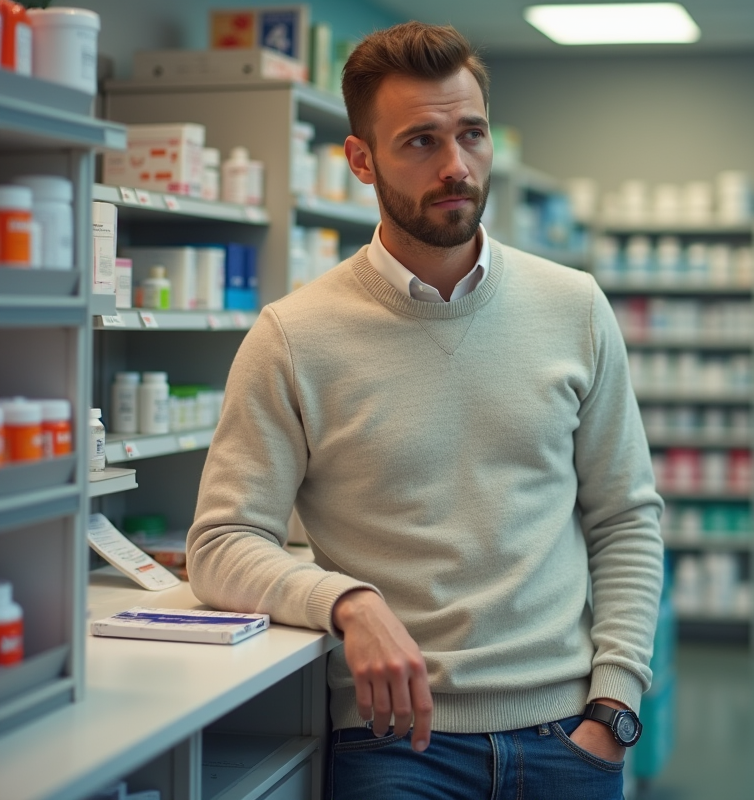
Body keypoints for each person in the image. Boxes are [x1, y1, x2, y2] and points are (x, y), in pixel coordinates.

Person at [187, 21, 663, 800]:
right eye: (420, 142)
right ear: (361, 160)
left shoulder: (574, 307)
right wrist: (345, 600)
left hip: (566, 739)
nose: (456, 167)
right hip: (394, 746)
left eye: (471, 135)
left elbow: (625, 519)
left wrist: (613, 709)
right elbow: (221, 541)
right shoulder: (293, 335)